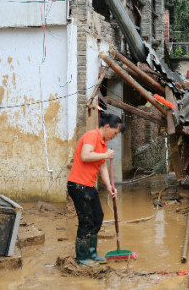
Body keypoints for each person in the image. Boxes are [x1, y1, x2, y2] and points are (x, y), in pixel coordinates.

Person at [67, 112, 125, 265]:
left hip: (88, 185)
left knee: (97, 217)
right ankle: (81, 257)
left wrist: (110, 187)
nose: (115, 136)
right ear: (107, 127)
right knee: (86, 221)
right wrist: (105, 155)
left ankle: (92, 253)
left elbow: (102, 167)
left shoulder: (103, 143)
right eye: (115, 132)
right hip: (78, 185)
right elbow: (85, 156)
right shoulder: (91, 136)